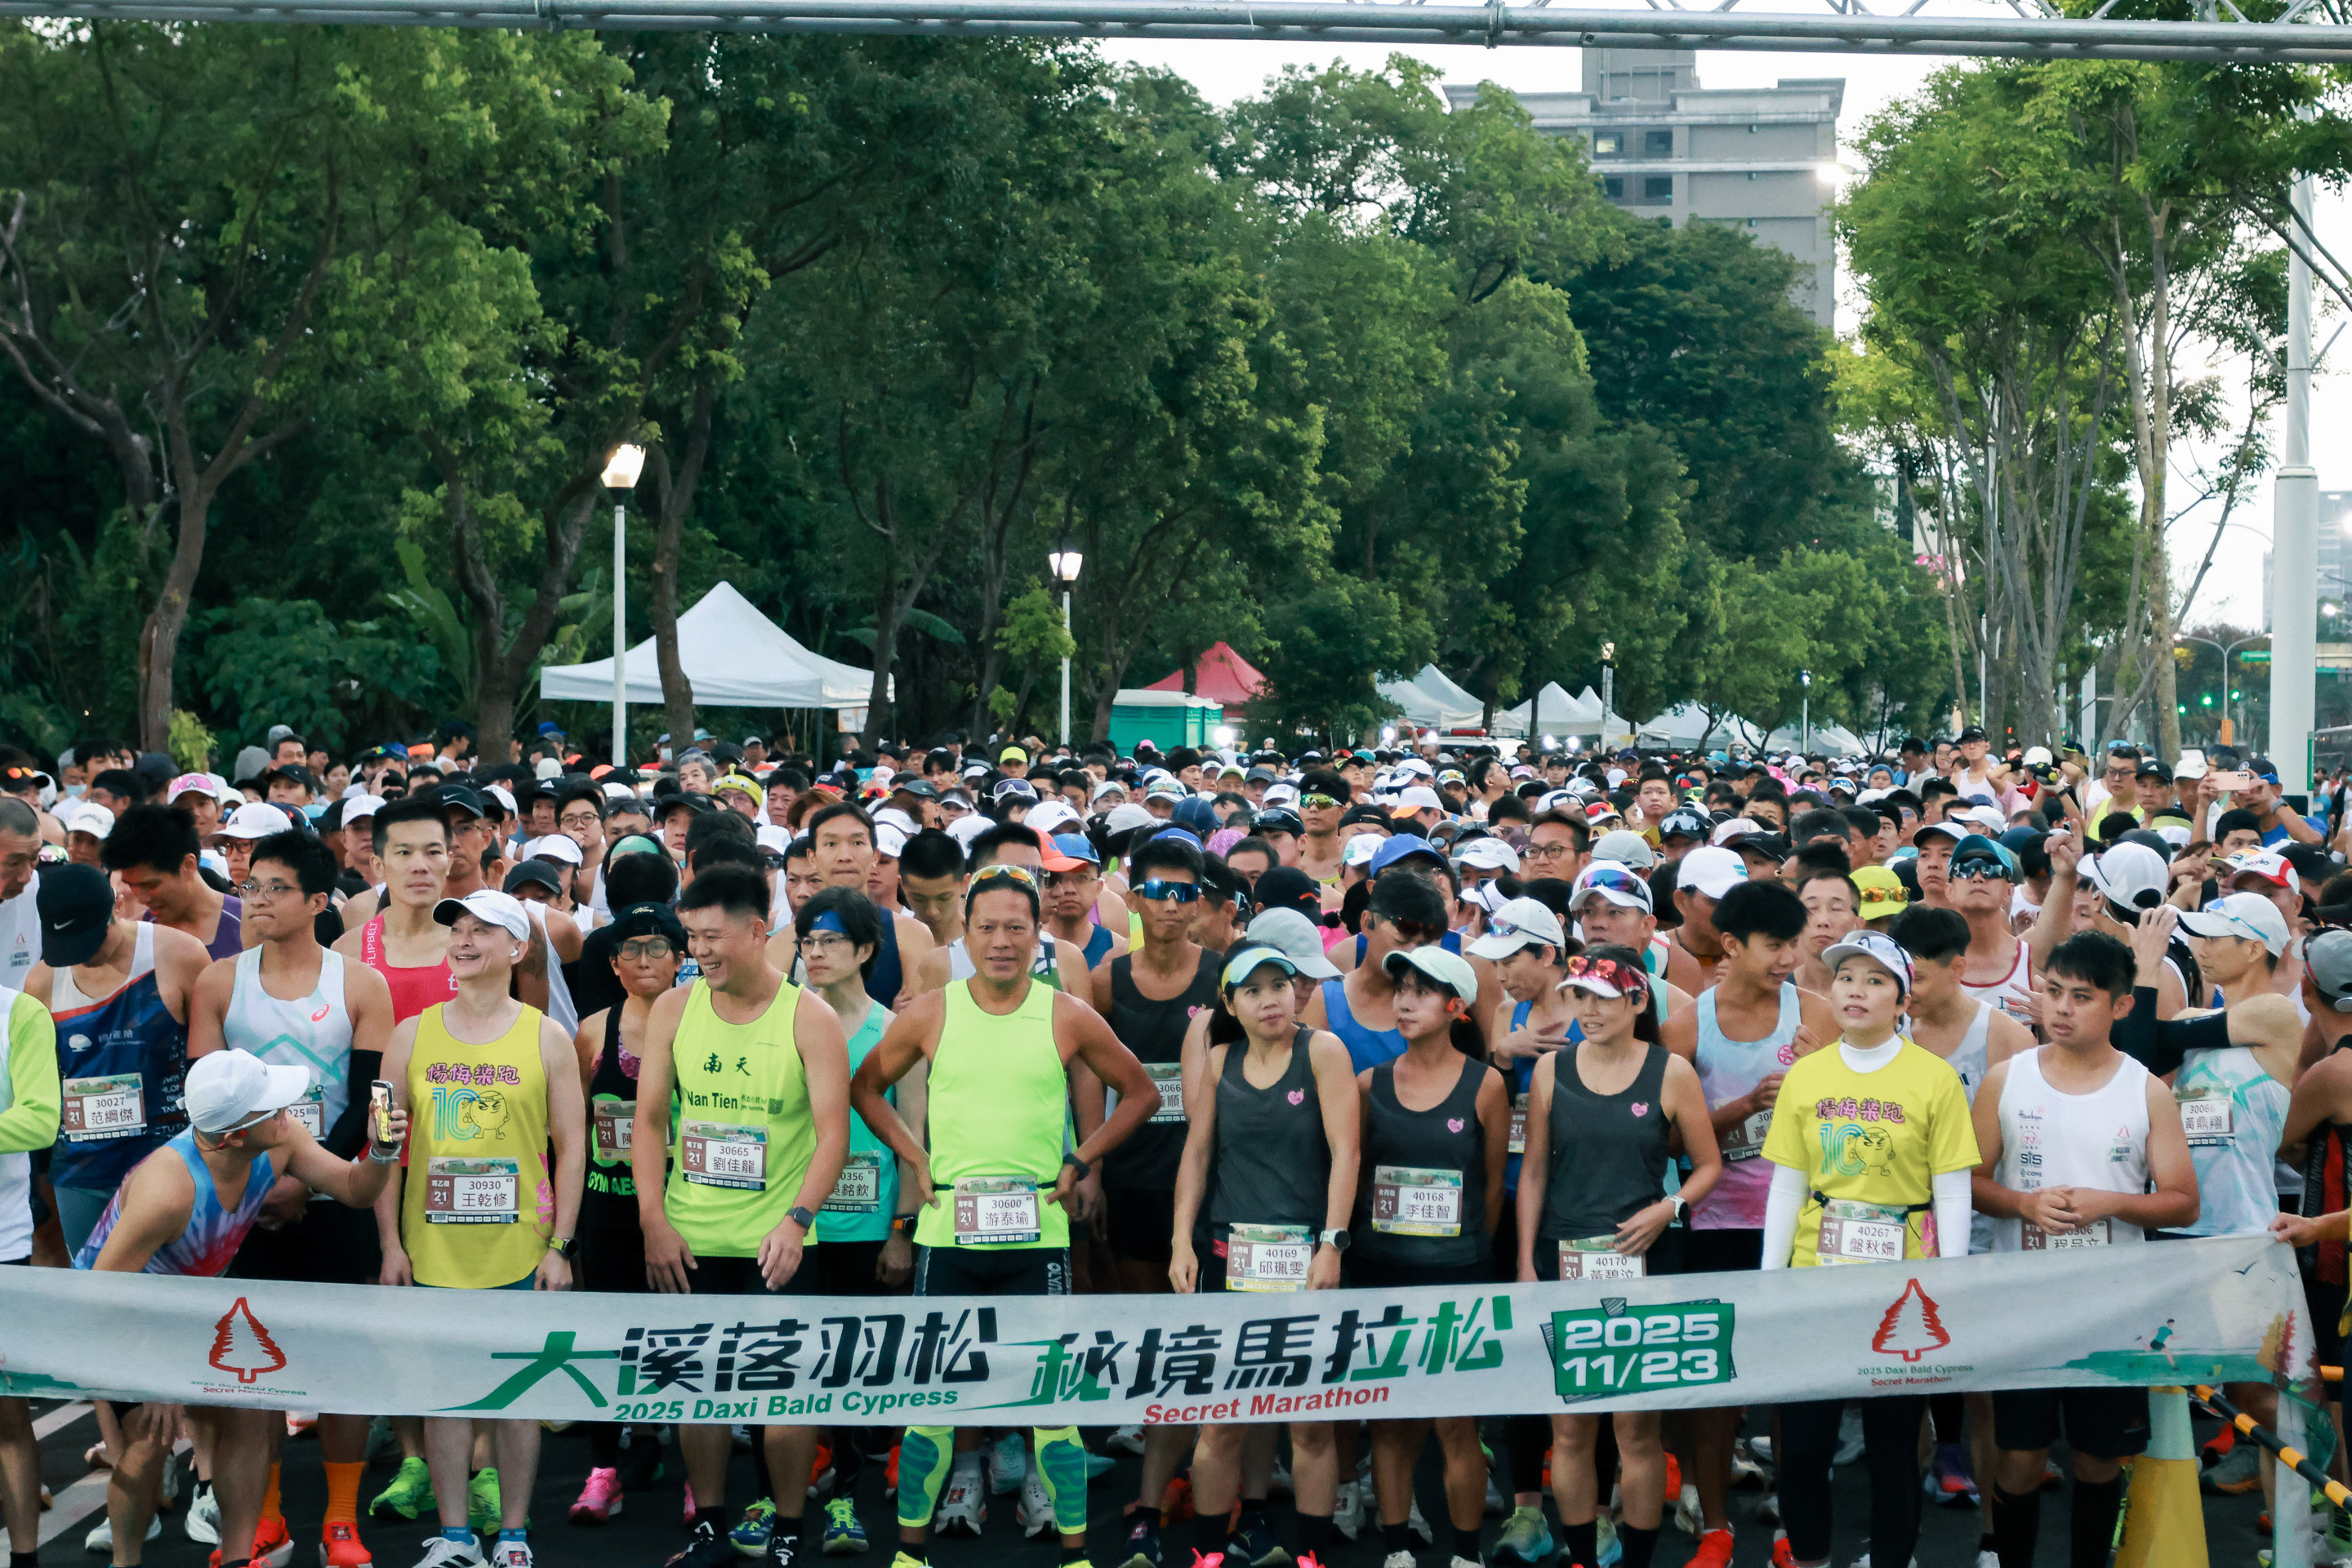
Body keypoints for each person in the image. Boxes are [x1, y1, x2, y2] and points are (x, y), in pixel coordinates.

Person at [848, 862, 1161, 1568]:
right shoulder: (932, 1011)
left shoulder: (1065, 1013)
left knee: (1053, 1412)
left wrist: (1082, 1159)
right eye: (986, 927)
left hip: (1037, 1241)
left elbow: (1140, 1092)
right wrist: (913, 1154)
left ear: (1037, 932)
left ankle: (1076, 1556)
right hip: (947, 1239)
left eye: (1015, 928)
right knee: (932, 1410)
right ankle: (909, 1554)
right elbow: (866, 1088)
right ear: (964, 934)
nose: (1000, 941)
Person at [78, 1049, 407, 1568]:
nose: (288, 1112)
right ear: (233, 1137)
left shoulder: (279, 1140)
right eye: (273, 1108)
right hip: (125, 1313)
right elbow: (101, 1296)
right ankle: (125, 1562)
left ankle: (236, 1558)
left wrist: (382, 1152)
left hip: (191, 1307)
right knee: (148, 1445)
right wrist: (156, 1380)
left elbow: (354, 1190)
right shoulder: (167, 1191)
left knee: (251, 1415)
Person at [187, 829, 398, 1568]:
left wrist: (306, 1178)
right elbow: (203, 1099)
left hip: (333, 1197)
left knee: (343, 1364)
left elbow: (367, 1102)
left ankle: (340, 1521)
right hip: (244, 1200)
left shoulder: (361, 985)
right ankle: (265, 1516)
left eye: (277, 888)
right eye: (252, 886)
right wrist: (262, 1181)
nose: (258, 900)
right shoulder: (218, 983)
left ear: (316, 902)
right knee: (249, 1369)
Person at [631, 865, 851, 1568]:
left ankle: (787, 1528)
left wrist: (796, 1222)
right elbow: (648, 1121)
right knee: (696, 1392)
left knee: (784, 1396)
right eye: (691, 937)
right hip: (690, 1239)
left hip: (776, 1244)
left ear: (758, 932)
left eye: (713, 936)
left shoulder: (808, 1017)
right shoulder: (674, 1008)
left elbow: (835, 1135)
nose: (700, 951)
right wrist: (653, 1219)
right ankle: (709, 1526)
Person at [1968, 930, 2197, 1568]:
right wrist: (2022, 1205)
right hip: (2023, 1304)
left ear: (2122, 1006)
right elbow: (1969, 1182)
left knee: (2099, 1460)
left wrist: (2111, 1203)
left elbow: (2184, 1200)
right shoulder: (2006, 1080)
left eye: (2082, 996)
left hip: (2113, 1309)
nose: (2062, 1008)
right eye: (2053, 991)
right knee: (2021, 1460)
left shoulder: (2146, 1090)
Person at [379, 889, 587, 1568]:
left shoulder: (547, 1037)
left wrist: (561, 1248)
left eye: (483, 930)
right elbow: (383, 1147)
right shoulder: (409, 1035)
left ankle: (515, 1536)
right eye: (458, 929)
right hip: (432, 1249)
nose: (464, 941)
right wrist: (389, 1244)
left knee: (516, 1396)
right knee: (445, 1396)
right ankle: (456, 1536)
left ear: (518, 948)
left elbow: (572, 1147)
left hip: (521, 1248)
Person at [1760, 931, 1978, 1568]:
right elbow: (1787, 1185)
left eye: (1876, 980)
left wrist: (1950, 1281)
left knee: (1892, 1447)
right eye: (1846, 977)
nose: (1856, 990)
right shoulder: (1807, 1075)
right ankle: (1810, 1558)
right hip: (1815, 1282)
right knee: (1804, 1446)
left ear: (1903, 1000)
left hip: (1902, 1290)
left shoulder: (1933, 1078)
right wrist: (1768, 1280)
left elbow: (1952, 1189)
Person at [1517, 945, 1720, 1568]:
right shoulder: (1551, 1070)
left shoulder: (1671, 1071)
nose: (1589, 1010)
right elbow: (1534, 1172)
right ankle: (1583, 1554)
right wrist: (1525, 1261)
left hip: (1647, 1261)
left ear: (1637, 1001)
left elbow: (1707, 1165)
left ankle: (1636, 1560)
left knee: (1636, 1428)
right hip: (1564, 1257)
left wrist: (1669, 1208)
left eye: (1603, 998)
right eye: (1579, 996)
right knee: (1570, 1426)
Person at [1655, 878, 1833, 1565]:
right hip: (1712, 1222)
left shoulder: (1817, 1017)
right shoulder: (1686, 1025)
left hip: (1798, 1224)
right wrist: (1743, 1107)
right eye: (1774, 945)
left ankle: (1791, 1523)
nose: (1789, 958)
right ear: (1730, 945)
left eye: (1795, 944)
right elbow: (1666, 1142)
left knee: (1793, 1381)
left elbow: (1852, 1119)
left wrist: (1823, 1080)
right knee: (1712, 1383)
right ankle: (1715, 1527)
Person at [1169, 947, 1359, 1568]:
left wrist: (1331, 1242)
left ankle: (1310, 1556)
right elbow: (1198, 1153)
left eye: (1279, 984)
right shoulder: (1220, 1060)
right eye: (1252, 991)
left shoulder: (1323, 1051)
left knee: (1308, 1421)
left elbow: (1347, 1152)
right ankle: (1207, 1553)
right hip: (1230, 1261)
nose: (1270, 999)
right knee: (1222, 1418)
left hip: (1307, 1260)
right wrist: (1181, 1241)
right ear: (1229, 1004)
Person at [1083, 833, 1222, 1568]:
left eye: (1184, 893)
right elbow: (1090, 1075)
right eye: (1159, 892)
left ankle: (1209, 1471)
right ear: (1133, 899)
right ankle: (1163, 1453)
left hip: (1208, 1182)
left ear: (1199, 903)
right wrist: (1092, 1165)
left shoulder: (1227, 976)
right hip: (1132, 1175)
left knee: (1206, 1329)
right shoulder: (1106, 980)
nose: (1171, 905)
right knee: (1154, 1325)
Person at [1352, 947, 1507, 1568]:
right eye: (1401, 990)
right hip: (1381, 1272)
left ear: (1455, 1006)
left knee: (1455, 1423)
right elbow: (1355, 1177)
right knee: (1390, 1419)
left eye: (1421, 992)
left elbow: (1491, 1189)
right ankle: (1396, 1548)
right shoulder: (1370, 1084)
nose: (1404, 1002)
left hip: (1458, 1276)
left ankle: (1466, 1554)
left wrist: (1467, 1251)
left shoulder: (1486, 1085)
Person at [1886, 903, 2036, 1521]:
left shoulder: (2005, 1038)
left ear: (1958, 968)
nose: (1905, 992)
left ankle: (1994, 1542)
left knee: (1985, 1395)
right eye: (1899, 977)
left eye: (1917, 978)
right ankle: (1903, 1539)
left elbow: (2027, 1152)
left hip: (1982, 1237)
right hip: (1900, 1236)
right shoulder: (1887, 1032)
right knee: (1902, 1390)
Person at [795, 885, 926, 1559]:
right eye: (807, 942)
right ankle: (802, 1477)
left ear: (867, 950)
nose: (815, 953)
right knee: (801, 1361)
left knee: (855, 1365)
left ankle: (849, 1490)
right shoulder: (788, 1022)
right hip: (800, 1229)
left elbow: (914, 1138)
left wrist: (902, 1231)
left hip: (871, 1228)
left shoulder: (894, 1032)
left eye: (831, 942)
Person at [565, 899, 684, 1526]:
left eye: (657, 947)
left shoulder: (701, 1025)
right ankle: (604, 1466)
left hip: (681, 1213)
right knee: (610, 1336)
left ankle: (689, 1468)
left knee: (678, 1340)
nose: (644, 960)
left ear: (680, 958)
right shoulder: (592, 1031)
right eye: (630, 949)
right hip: (608, 1208)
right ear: (613, 964)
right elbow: (571, 1128)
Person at [29, 862, 208, 1256]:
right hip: (81, 1169)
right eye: (70, 947)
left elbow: (213, 1063)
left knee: (171, 1286)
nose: (85, 956)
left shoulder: (179, 954)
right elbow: (41, 1083)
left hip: (167, 1163)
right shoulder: (41, 982)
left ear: (117, 905)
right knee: (93, 1285)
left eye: (92, 940)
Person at [0, 966, 58, 1566]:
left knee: (7, 1416)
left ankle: (25, 1560)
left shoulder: (18, 1013)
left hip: (2, 1244)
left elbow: (41, 1118)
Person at [768, 804, 933, 1010]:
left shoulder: (911, 936)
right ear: (812, 857)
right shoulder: (782, 946)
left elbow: (922, 1020)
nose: (845, 856)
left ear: (875, 856)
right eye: (831, 844)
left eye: (857, 842)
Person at [1303, 874, 1447, 1072]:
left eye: (1423, 946)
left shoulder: (1437, 1008)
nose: (1410, 953)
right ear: (1367, 922)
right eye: (1402, 939)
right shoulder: (1322, 1002)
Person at [105, 804, 247, 960]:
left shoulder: (249, 923)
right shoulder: (134, 938)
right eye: (132, 886)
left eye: (151, 885)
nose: (142, 898)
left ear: (188, 865)